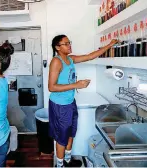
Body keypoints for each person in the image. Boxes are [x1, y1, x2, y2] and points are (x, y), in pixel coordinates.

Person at [48, 35, 117, 167]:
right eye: (66, 43)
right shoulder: (56, 62)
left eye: (69, 42)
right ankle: (60, 165)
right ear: (57, 47)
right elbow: (51, 87)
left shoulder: (70, 59)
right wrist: (76, 85)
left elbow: (90, 56)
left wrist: (109, 45)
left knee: (71, 133)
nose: (69, 45)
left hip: (70, 102)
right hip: (60, 105)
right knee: (62, 137)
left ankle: (68, 160)